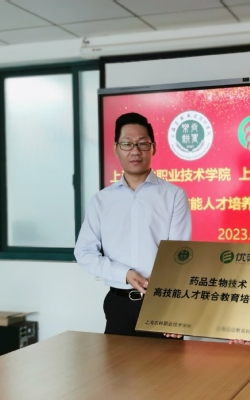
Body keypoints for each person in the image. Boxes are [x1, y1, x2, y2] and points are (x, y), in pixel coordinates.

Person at [74, 112, 192, 338]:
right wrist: (124, 273)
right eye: (127, 144)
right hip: (118, 305)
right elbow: (84, 252)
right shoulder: (101, 200)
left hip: (161, 303)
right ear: (115, 148)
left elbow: (180, 255)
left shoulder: (174, 196)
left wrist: (175, 309)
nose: (135, 151)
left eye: (142, 143)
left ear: (153, 148)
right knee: (116, 363)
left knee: (167, 363)